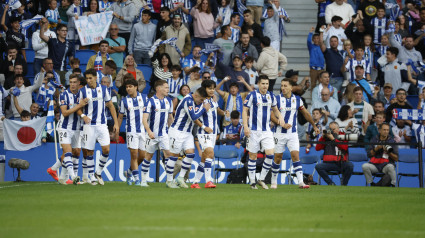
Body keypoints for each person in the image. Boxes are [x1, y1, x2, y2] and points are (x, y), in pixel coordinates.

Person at [257, 78, 318, 189]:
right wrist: (282, 124)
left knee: (295, 156)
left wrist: (314, 125)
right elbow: (271, 116)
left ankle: (301, 182)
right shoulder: (277, 99)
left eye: (285, 86)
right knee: (278, 158)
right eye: (282, 86)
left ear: (291, 87)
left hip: (292, 134)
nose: (283, 88)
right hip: (279, 133)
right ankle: (274, 181)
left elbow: (306, 113)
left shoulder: (297, 99)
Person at [242, 75, 286, 189]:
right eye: (263, 83)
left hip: (267, 131)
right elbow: (244, 110)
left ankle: (261, 179)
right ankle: (252, 182)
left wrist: (280, 117)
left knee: (270, 154)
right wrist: (245, 127)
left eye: (267, 84)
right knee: (252, 156)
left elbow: (275, 109)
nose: (265, 86)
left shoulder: (271, 95)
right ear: (258, 84)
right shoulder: (252, 95)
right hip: (254, 131)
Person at [77, 69, 119, 185]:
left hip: (102, 125)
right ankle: (92, 177)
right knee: (89, 152)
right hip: (89, 125)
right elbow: (78, 108)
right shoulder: (83, 91)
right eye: (87, 78)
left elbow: (111, 106)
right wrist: (83, 115)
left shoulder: (104, 89)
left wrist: (116, 123)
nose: (89, 80)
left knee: (106, 150)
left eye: (90, 78)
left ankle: (98, 172)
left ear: (96, 78)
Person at [164, 87, 210, 188]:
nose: (201, 102)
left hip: (187, 133)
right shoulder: (187, 100)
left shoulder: (195, 101)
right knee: (173, 156)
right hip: (177, 131)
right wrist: (204, 109)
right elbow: (194, 117)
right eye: (201, 100)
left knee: (190, 154)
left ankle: (180, 178)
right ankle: (169, 180)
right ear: (196, 95)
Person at [50, 74, 87, 185]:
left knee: (76, 152)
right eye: (70, 82)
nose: (72, 84)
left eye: (74, 82)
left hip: (77, 128)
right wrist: (78, 105)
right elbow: (65, 113)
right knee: (68, 152)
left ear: (79, 84)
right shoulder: (64, 95)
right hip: (64, 127)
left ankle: (58, 173)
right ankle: (73, 177)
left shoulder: (82, 94)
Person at [141, 80, 174, 187]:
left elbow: (170, 118)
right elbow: (144, 119)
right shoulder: (150, 101)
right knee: (148, 156)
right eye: (166, 87)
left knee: (168, 155)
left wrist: (172, 132)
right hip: (152, 134)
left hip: (164, 134)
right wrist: (149, 131)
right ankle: (143, 181)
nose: (168, 90)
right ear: (158, 88)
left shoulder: (169, 101)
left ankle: (169, 181)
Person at [191, 80, 222, 189]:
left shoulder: (213, 101)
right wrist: (204, 127)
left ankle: (195, 182)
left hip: (212, 133)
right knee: (210, 153)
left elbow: (217, 110)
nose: (212, 90)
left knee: (204, 159)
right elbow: (194, 119)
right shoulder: (200, 102)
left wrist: (224, 113)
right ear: (204, 89)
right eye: (210, 88)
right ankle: (208, 181)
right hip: (203, 133)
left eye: (213, 88)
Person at [118, 78, 147, 186]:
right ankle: (137, 179)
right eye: (127, 87)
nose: (128, 89)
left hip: (142, 131)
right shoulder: (124, 101)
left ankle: (129, 172)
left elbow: (148, 113)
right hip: (131, 131)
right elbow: (120, 116)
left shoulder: (144, 98)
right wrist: (117, 128)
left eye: (130, 86)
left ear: (136, 87)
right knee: (134, 155)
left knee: (142, 156)